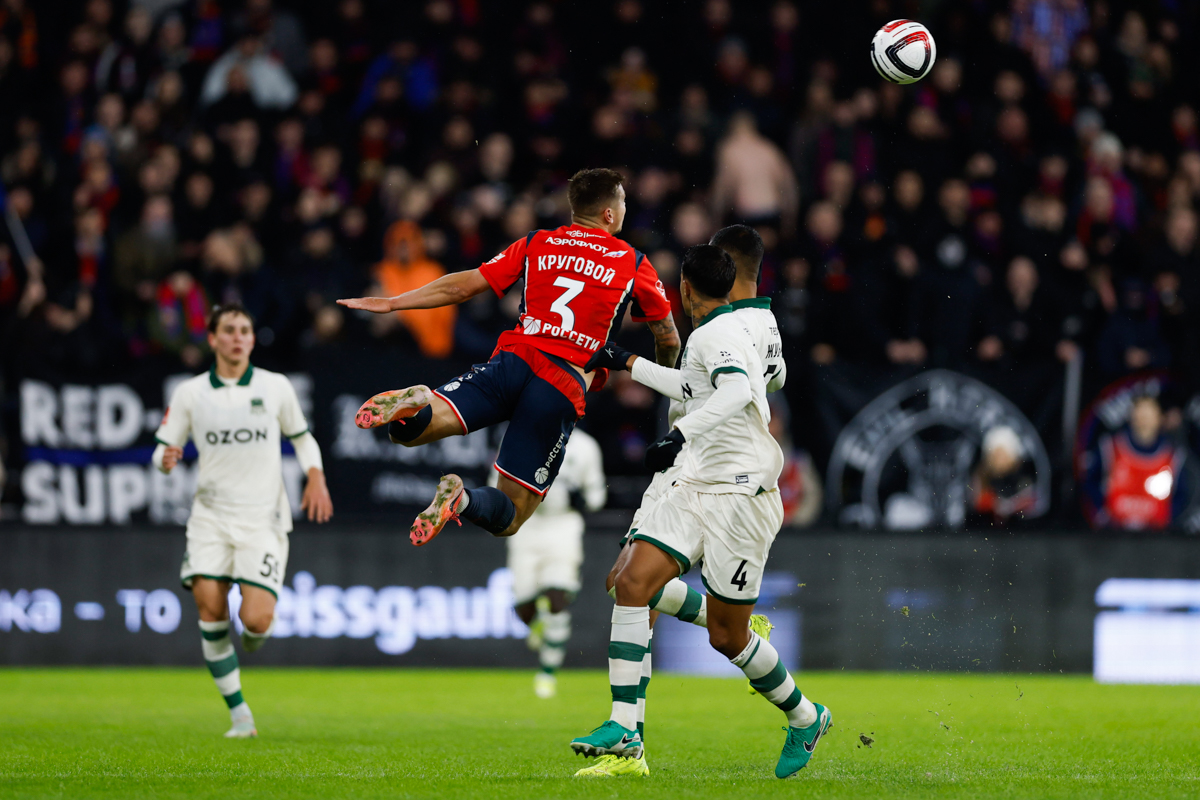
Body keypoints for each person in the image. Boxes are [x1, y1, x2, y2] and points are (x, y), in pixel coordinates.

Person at [570, 245, 830, 779]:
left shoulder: (716, 334)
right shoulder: (744, 325)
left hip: (741, 493)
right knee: (630, 582)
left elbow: (734, 389)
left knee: (727, 636)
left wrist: (680, 433)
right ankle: (625, 731)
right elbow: (710, 385)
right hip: (694, 480)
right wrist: (628, 362)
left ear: (683, 290)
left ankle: (806, 715)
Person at [337, 168, 678, 545]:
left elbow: (464, 286)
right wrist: (666, 380)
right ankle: (462, 499)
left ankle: (419, 403)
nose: (626, 207)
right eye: (623, 201)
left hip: (514, 361)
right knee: (511, 516)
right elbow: (667, 336)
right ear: (609, 213)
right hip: (560, 383)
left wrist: (395, 302)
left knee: (404, 432)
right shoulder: (633, 262)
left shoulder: (538, 242)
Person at [152, 303, 334, 738]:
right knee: (211, 611)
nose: (238, 338)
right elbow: (162, 449)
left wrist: (316, 476)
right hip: (210, 517)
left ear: (252, 340)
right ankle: (240, 715)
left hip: (262, 519)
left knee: (255, 622)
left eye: (245, 331)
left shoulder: (275, 386)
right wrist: (166, 460)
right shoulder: (190, 392)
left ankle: (256, 631)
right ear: (213, 338)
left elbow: (302, 438)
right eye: (229, 330)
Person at [506, 428, 606, 699]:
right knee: (524, 607)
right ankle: (538, 626)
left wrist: (581, 499)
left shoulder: (585, 446)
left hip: (563, 525)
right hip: (525, 524)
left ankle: (547, 673)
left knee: (557, 597)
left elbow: (597, 496)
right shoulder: (520, 436)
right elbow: (497, 487)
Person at [1084, 395, 1188, 529]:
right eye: (1139, 411)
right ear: (1131, 415)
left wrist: (1166, 519)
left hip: (1155, 535)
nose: (1144, 417)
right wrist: (1104, 511)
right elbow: (1090, 482)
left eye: (1149, 412)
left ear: (1159, 417)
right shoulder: (1109, 447)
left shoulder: (1174, 456)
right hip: (1113, 532)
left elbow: (1182, 495)